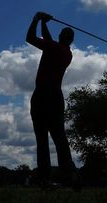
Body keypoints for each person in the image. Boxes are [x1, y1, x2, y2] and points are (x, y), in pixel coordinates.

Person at [26, 11, 81, 190]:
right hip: (55, 97)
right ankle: (69, 176)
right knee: (60, 139)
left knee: (42, 140)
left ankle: (44, 179)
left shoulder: (53, 47)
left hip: (42, 96)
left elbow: (30, 37)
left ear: (60, 37)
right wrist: (44, 23)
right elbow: (49, 42)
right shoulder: (66, 53)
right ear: (70, 41)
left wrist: (37, 19)